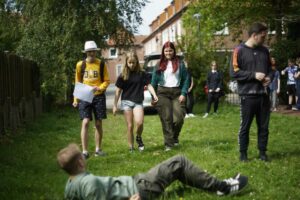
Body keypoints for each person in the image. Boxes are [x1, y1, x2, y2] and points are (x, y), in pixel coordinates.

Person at [57, 143, 248, 200]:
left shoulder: (70, 186)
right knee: (179, 161)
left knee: (175, 167)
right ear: (81, 163)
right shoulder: (89, 183)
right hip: (141, 189)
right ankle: (222, 187)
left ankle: (213, 184)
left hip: (138, 183)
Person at [230, 23, 273, 162]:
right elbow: (234, 73)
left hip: (264, 95)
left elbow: (271, 69)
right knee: (245, 127)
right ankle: (243, 155)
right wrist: (254, 75)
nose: (264, 39)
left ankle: (262, 153)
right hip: (247, 96)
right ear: (254, 36)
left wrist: (269, 78)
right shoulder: (239, 50)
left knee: (264, 127)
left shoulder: (265, 51)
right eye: (262, 36)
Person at [113, 52, 158, 152]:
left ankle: (138, 137)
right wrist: (115, 105)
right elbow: (118, 90)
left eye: (133, 62)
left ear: (137, 62)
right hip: (126, 102)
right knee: (129, 126)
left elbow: (149, 85)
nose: (131, 65)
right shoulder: (123, 75)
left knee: (140, 123)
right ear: (126, 62)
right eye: (129, 63)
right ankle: (131, 147)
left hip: (138, 102)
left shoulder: (142, 74)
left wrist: (154, 95)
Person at [73, 41, 110, 159]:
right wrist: (76, 99)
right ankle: (84, 152)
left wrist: (100, 87)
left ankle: (98, 150)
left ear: (96, 51)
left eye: (93, 51)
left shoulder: (101, 64)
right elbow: (78, 82)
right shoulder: (80, 65)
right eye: (89, 51)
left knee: (98, 123)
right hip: (85, 96)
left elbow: (107, 80)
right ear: (86, 52)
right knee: (85, 122)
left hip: (98, 96)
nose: (92, 53)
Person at [151, 41, 190, 151]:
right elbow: (153, 81)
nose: (168, 52)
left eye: (170, 50)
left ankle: (174, 138)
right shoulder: (159, 64)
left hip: (177, 93)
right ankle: (169, 144)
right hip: (162, 93)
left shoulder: (180, 64)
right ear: (163, 51)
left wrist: (183, 93)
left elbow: (186, 79)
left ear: (174, 51)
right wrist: (153, 96)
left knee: (178, 119)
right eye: (166, 50)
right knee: (166, 118)